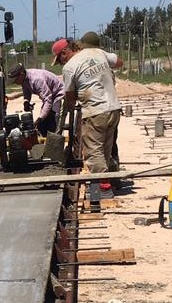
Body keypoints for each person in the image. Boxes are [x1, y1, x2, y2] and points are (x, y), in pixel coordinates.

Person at [52, 37, 122, 196]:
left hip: (95, 111)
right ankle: (107, 182)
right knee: (105, 148)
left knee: (93, 152)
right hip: (114, 108)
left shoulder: (70, 67)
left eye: (59, 60)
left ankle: (103, 190)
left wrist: (71, 107)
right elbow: (119, 62)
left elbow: (69, 96)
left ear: (64, 53)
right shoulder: (97, 52)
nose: (61, 64)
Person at [78, 31, 125, 174]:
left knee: (95, 148)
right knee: (109, 145)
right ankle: (112, 173)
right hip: (113, 107)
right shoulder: (103, 55)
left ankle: (103, 185)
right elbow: (119, 62)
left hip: (98, 110)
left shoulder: (84, 58)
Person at [5, 63, 64, 134]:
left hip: (58, 94)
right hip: (50, 95)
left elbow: (48, 100)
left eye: (16, 79)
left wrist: (40, 118)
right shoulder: (24, 79)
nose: (15, 82)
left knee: (53, 119)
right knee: (43, 124)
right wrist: (26, 102)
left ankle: (55, 138)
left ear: (21, 74)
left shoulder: (37, 80)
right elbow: (26, 91)